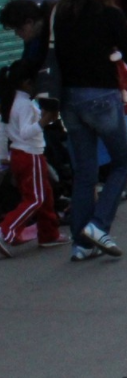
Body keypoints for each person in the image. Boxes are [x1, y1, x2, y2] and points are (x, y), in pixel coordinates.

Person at [53, 0, 127, 262]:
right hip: (101, 95)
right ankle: (97, 225)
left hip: (69, 98)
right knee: (124, 162)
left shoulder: (61, 14)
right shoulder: (110, 13)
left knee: (84, 173)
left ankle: (81, 244)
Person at [0, 61, 62, 256]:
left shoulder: (10, 102)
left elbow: (4, 131)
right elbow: (27, 132)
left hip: (20, 155)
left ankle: (49, 234)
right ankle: (5, 230)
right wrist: (44, 120)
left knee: (44, 196)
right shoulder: (25, 104)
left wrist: (3, 155)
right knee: (35, 199)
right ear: (27, 83)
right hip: (29, 155)